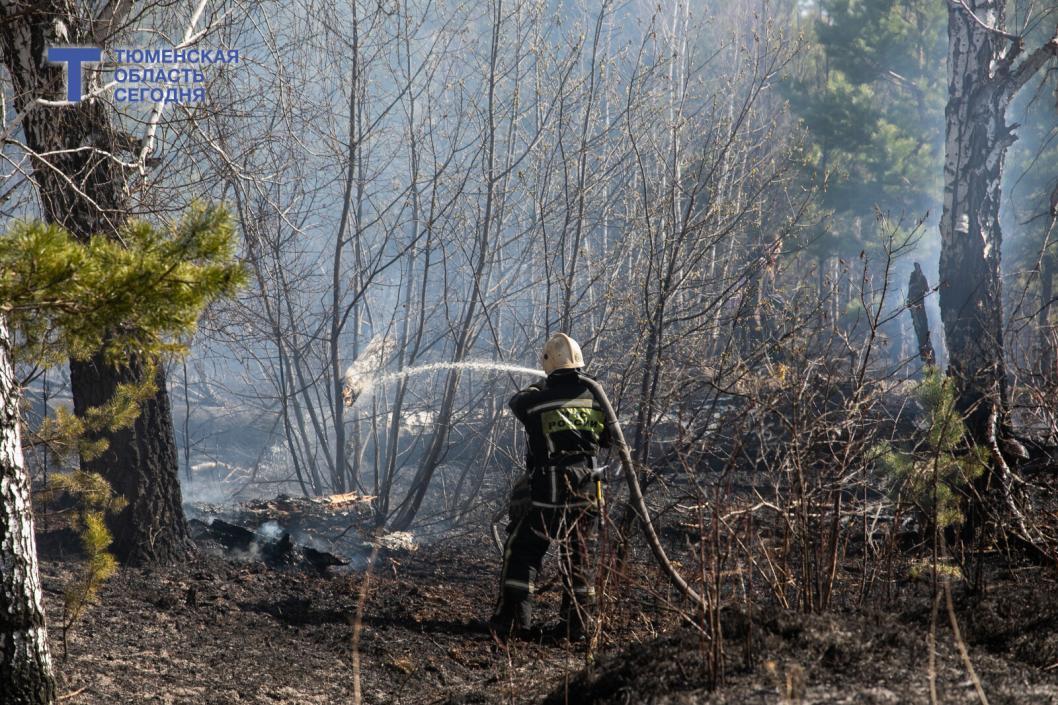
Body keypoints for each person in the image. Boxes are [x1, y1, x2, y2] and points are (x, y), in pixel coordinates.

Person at [490, 333, 610, 643]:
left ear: (548, 363)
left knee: (523, 550)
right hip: (588, 489)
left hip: (549, 490)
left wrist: (538, 386)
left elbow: (516, 403)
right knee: (580, 555)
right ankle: (578, 627)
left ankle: (513, 622)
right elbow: (609, 440)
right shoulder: (596, 397)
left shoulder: (536, 400)